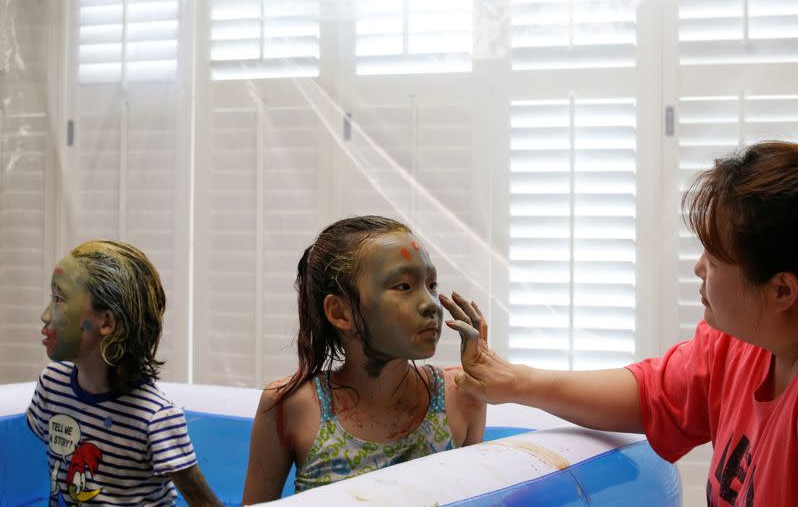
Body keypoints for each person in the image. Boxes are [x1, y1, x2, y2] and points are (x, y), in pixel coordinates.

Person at [447, 140, 798, 507]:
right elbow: (649, 396)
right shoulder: (735, 346)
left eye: (713, 262)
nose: (697, 269)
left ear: (781, 291)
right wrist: (517, 382)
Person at [241, 216, 486, 504]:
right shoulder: (290, 405)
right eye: (404, 287)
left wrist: (489, 372)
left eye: (431, 285)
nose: (430, 303)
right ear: (341, 313)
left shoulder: (462, 393)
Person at [27, 240, 221, 506]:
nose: (45, 315)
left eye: (60, 299)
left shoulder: (156, 418)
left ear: (106, 322)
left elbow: (205, 503)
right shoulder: (52, 386)